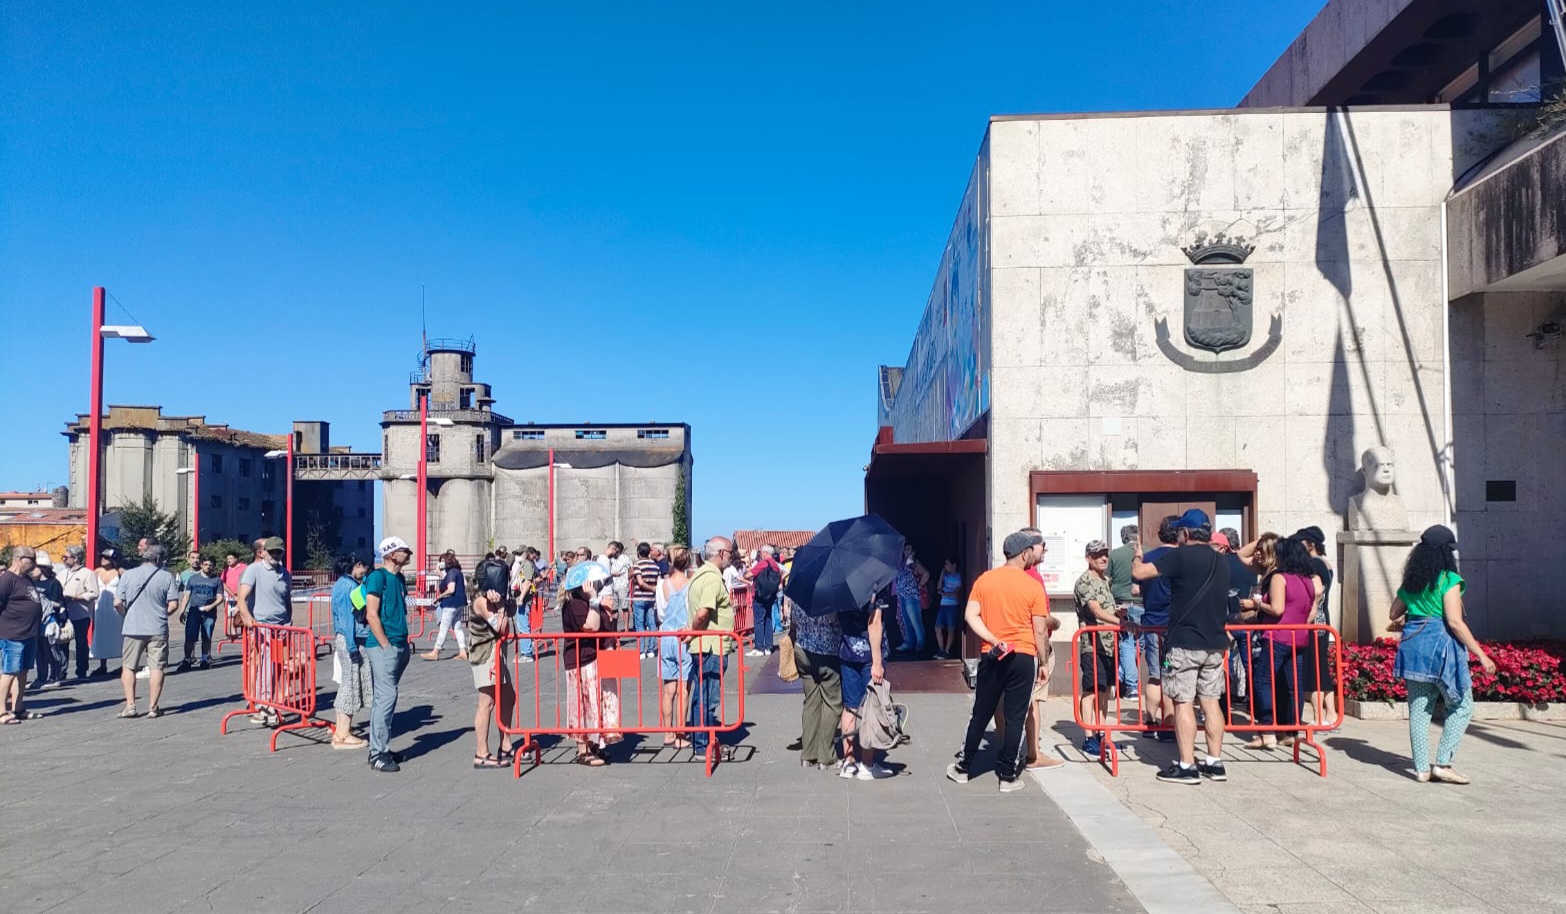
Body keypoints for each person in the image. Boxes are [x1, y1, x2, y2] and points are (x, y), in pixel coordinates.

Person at [1132, 509, 1231, 785]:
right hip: (1215, 643)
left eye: (1179, 531)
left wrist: (1138, 553)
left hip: (1185, 642)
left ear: (1186, 534)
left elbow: (1139, 573)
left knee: (1183, 702)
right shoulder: (1221, 561)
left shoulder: (1178, 556)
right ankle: (1214, 762)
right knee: (1211, 702)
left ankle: (1187, 765)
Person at [948, 530, 1051, 793]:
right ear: (1025, 553)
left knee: (981, 712)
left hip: (993, 655)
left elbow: (971, 616)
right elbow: (1039, 629)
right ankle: (1007, 776)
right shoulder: (1033, 586)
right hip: (1025, 655)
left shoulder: (985, 580)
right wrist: (1044, 662)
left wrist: (993, 639)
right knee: (1016, 716)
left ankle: (963, 768)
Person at [1390, 525, 1494, 784]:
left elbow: (1394, 613)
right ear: (1447, 553)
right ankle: (1444, 763)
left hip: (1414, 647)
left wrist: (1408, 618)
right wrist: (1481, 654)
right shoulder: (1449, 580)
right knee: (1461, 705)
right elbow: (1455, 622)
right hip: (1441, 649)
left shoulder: (1412, 581)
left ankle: (1422, 769)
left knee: (1419, 710)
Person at [1245, 536, 1321, 750]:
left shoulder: (1281, 577)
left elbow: (1277, 609)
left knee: (1262, 681)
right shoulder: (1307, 580)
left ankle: (1267, 730)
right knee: (1293, 684)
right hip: (1299, 636)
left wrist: (1259, 603)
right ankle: (1291, 731)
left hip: (1278, 635)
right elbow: (1310, 611)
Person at [560, 561, 621, 765]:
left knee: (599, 702)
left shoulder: (589, 602)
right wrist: (594, 601)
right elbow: (591, 627)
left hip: (599, 657)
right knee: (583, 703)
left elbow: (606, 625)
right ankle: (582, 749)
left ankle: (595, 743)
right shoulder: (575, 604)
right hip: (581, 659)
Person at [362, 536, 415, 773]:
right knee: (386, 698)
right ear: (392, 554)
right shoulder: (377, 577)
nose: (409, 554)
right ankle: (378, 754)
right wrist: (385, 644)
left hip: (399, 643)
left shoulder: (399, 578)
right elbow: (371, 613)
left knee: (384, 699)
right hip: (385, 645)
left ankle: (380, 747)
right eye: (405, 551)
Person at [115, 544, 180, 719]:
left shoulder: (128, 575)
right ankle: (153, 707)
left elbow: (117, 602)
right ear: (159, 559)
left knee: (128, 666)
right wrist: (162, 613)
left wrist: (126, 615)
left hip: (133, 627)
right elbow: (173, 604)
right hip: (157, 627)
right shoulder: (166, 577)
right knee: (157, 667)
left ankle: (130, 705)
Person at [687, 537, 738, 758]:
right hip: (711, 645)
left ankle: (703, 740)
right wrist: (693, 629)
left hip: (706, 644)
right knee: (708, 696)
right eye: (730, 552)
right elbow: (703, 612)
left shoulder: (701, 575)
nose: (731, 556)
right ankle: (703, 745)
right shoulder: (712, 579)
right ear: (720, 553)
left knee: (702, 694)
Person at [236, 537, 293, 728]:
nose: (276, 555)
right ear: (264, 553)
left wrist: (289, 621)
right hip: (262, 626)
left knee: (279, 666)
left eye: (279, 552)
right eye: (273, 552)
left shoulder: (285, 574)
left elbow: (287, 600)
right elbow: (242, 597)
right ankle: (264, 703)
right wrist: (247, 618)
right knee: (267, 664)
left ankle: (269, 702)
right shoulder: (254, 570)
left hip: (282, 625)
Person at [836, 588, 892, 781]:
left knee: (850, 706)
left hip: (847, 649)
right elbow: (874, 623)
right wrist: (877, 661)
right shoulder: (877, 584)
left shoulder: (840, 585)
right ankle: (867, 764)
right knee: (871, 706)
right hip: (869, 653)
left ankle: (849, 761)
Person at [1074, 540, 1121, 759]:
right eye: (1098, 555)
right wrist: (1118, 621)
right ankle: (1089, 737)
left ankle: (1103, 734)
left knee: (1104, 691)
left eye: (1105, 554)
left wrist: (1120, 614)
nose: (1103, 558)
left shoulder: (1105, 581)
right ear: (1088, 558)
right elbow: (1095, 610)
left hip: (1109, 644)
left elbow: (1108, 609)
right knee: (1091, 690)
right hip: (1091, 644)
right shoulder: (1084, 582)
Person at [789, 581, 842, 770]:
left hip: (802, 650)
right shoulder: (830, 593)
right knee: (832, 703)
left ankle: (808, 753)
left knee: (811, 701)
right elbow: (832, 619)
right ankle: (826, 756)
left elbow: (793, 621)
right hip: (826, 651)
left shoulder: (798, 592)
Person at [1135, 516, 1180, 739]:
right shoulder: (1182, 559)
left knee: (1155, 675)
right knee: (1170, 673)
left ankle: (1151, 720)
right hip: (1174, 626)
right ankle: (1169, 724)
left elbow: (1136, 589)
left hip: (1152, 624)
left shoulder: (1148, 559)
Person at [1293, 526, 1339, 732]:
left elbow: (1317, 592)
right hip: (1323, 620)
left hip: (1314, 621)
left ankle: (1319, 716)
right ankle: (1331, 714)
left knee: (1314, 671)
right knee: (1322, 668)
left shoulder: (1312, 565)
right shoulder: (1325, 563)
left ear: (1310, 544)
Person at [468, 579, 514, 768]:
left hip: (496, 654)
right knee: (486, 702)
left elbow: (512, 612)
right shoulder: (480, 601)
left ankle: (505, 744)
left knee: (508, 697)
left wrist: (505, 602)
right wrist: (501, 607)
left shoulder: (491, 600)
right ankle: (482, 753)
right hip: (485, 654)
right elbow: (500, 627)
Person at [328, 555, 371, 750]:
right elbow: (347, 618)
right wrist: (353, 647)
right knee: (351, 685)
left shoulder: (341, 584)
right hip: (351, 639)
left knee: (347, 683)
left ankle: (341, 729)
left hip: (347, 638)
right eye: (363, 566)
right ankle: (343, 734)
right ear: (356, 565)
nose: (365, 571)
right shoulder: (349, 587)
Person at [655, 545, 693, 749]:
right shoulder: (691, 584)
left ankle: (668, 732)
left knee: (668, 690)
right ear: (687, 563)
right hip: (683, 637)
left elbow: (661, 613)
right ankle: (680, 733)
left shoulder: (662, 585)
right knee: (684, 691)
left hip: (665, 636)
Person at [0, 547, 43, 723]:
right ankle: (1, 710)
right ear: (18, 558)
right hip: (12, 634)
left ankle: (18, 708)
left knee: (23, 672)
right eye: (31, 559)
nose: (34, 563)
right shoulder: (6, 580)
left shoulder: (25, 579)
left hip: (29, 633)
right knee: (9, 671)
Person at [1107, 525, 1141, 700]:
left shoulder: (1115, 554)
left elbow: (1107, 578)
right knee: (1139, 646)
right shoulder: (1146, 553)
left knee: (1127, 644)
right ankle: (1121, 679)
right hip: (1145, 606)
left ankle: (1130, 686)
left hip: (1123, 605)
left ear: (1123, 538)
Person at [176, 555, 224, 671]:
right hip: (194, 611)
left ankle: (204, 659)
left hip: (209, 613)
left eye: (211, 565)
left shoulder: (217, 580)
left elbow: (220, 598)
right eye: (206, 564)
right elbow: (186, 595)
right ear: (202, 565)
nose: (208, 567)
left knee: (206, 636)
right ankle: (187, 660)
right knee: (190, 637)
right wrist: (182, 611)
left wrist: (210, 606)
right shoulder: (193, 579)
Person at [58, 545, 98, 681]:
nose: (63, 559)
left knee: (81, 642)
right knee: (62, 642)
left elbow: (94, 593)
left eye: (66, 557)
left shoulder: (88, 573)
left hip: (81, 613)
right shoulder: (62, 573)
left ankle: (81, 671)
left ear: (75, 558)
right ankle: (61, 672)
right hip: (63, 613)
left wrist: (76, 597)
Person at [422, 551, 470, 661]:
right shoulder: (458, 572)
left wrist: (439, 597)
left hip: (450, 604)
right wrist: (438, 568)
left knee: (443, 627)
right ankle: (462, 651)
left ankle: (436, 651)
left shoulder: (451, 573)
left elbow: (451, 589)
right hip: (460, 603)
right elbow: (442, 575)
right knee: (457, 627)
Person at [31, 552, 67, 689]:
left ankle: (55, 676)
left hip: (50, 621)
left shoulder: (53, 584)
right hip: (37, 622)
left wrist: (45, 602)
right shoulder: (32, 583)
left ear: (43, 568)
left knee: (51, 649)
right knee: (39, 651)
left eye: (35, 567)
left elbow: (59, 604)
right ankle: (41, 677)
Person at [746, 546, 784, 657]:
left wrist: (746, 574)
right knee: (768, 619)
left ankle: (759, 648)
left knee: (759, 621)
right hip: (771, 595)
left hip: (760, 595)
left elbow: (749, 575)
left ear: (765, 553)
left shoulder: (763, 563)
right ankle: (768, 647)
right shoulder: (776, 566)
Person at [892, 543, 929, 656]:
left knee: (916, 622)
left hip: (911, 597)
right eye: (905, 549)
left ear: (913, 551)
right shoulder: (903, 563)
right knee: (907, 622)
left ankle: (920, 646)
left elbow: (926, 574)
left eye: (909, 549)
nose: (906, 551)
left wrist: (919, 586)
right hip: (903, 596)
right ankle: (909, 643)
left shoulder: (914, 563)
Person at [90, 549, 123, 677]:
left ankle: (124, 663)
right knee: (101, 634)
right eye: (102, 557)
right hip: (100, 607)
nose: (103, 559)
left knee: (119, 634)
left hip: (116, 607)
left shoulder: (120, 572)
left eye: (107, 557)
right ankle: (102, 664)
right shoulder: (96, 572)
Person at [630, 542, 661, 659]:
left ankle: (641, 651)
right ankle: (651, 649)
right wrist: (653, 589)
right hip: (651, 598)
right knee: (652, 623)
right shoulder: (655, 566)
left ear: (638, 553)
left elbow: (640, 582)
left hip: (640, 597)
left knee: (640, 624)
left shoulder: (637, 565)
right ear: (649, 552)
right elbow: (658, 582)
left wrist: (648, 587)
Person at [933, 557, 963, 660]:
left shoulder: (958, 576)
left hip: (952, 605)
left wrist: (944, 593)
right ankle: (941, 650)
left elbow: (956, 594)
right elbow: (938, 588)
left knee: (951, 628)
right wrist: (942, 574)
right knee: (937, 627)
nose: (946, 566)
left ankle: (947, 651)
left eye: (947, 564)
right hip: (943, 604)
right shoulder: (946, 576)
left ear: (954, 565)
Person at [221, 549, 247, 642]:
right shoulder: (226, 570)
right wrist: (232, 594)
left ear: (236, 558)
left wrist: (241, 595)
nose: (229, 560)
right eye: (227, 558)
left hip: (243, 595)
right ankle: (233, 633)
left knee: (243, 613)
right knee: (230, 615)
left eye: (231, 558)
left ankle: (245, 633)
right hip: (230, 596)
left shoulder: (244, 567)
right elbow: (223, 583)